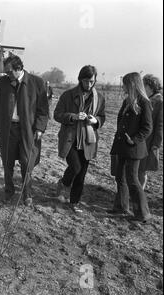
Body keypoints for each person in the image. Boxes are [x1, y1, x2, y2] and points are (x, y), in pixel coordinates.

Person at [0, 54, 49, 206]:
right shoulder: (2, 83)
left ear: (19, 68)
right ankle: (9, 191)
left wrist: (40, 128)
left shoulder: (37, 83)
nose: (7, 75)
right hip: (7, 129)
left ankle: (27, 194)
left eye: (9, 72)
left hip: (27, 130)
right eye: (6, 72)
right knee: (7, 162)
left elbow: (43, 110)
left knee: (26, 162)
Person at [54, 65, 106, 213]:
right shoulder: (68, 95)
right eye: (86, 81)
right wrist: (73, 116)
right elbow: (57, 114)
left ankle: (74, 203)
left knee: (82, 174)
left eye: (91, 81)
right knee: (75, 167)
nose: (89, 84)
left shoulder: (99, 98)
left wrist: (96, 121)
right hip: (70, 139)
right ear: (80, 79)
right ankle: (63, 182)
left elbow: (102, 117)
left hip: (88, 140)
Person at [109, 72, 153, 223]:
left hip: (133, 148)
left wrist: (133, 140)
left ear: (133, 84)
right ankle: (121, 208)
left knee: (132, 179)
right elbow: (120, 121)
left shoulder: (144, 103)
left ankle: (143, 214)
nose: (123, 86)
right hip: (122, 146)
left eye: (126, 84)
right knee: (120, 177)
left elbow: (147, 128)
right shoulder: (127, 101)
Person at [138, 74, 163, 189]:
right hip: (142, 138)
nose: (142, 88)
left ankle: (140, 193)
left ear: (150, 87)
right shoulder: (146, 100)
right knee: (137, 167)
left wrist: (156, 144)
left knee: (142, 169)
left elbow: (160, 124)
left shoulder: (159, 102)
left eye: (144, 85)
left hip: (149, 140)